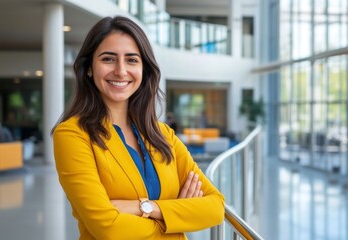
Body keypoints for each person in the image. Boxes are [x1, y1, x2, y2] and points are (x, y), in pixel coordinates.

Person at [52, 16, 224, 239]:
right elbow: (108, 228)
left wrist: (146, 208)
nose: (121, 71)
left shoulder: (163, 135)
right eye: (108, 59)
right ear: (89, 68)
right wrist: (176, 217)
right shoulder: (72, 135)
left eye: (132, 60)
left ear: (144, 70)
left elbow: (215, 207)